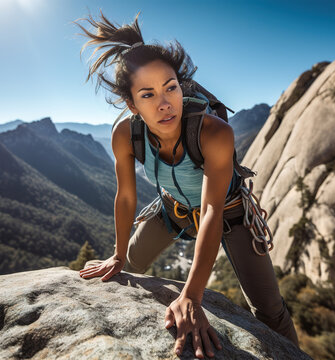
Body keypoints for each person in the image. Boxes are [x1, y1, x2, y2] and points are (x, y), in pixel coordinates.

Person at [76, 11, 299, 358]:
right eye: (148, 95)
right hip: (172, 210)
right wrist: (118, 254)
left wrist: (192, 296)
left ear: (181, 87)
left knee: (270, 311)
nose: (165, 103)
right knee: (125, 270)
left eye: (171, 88)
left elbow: (211, 208)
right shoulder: (126, 135)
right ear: (131, 104)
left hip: (229, 214)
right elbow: (125, 198)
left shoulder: (213, 132)